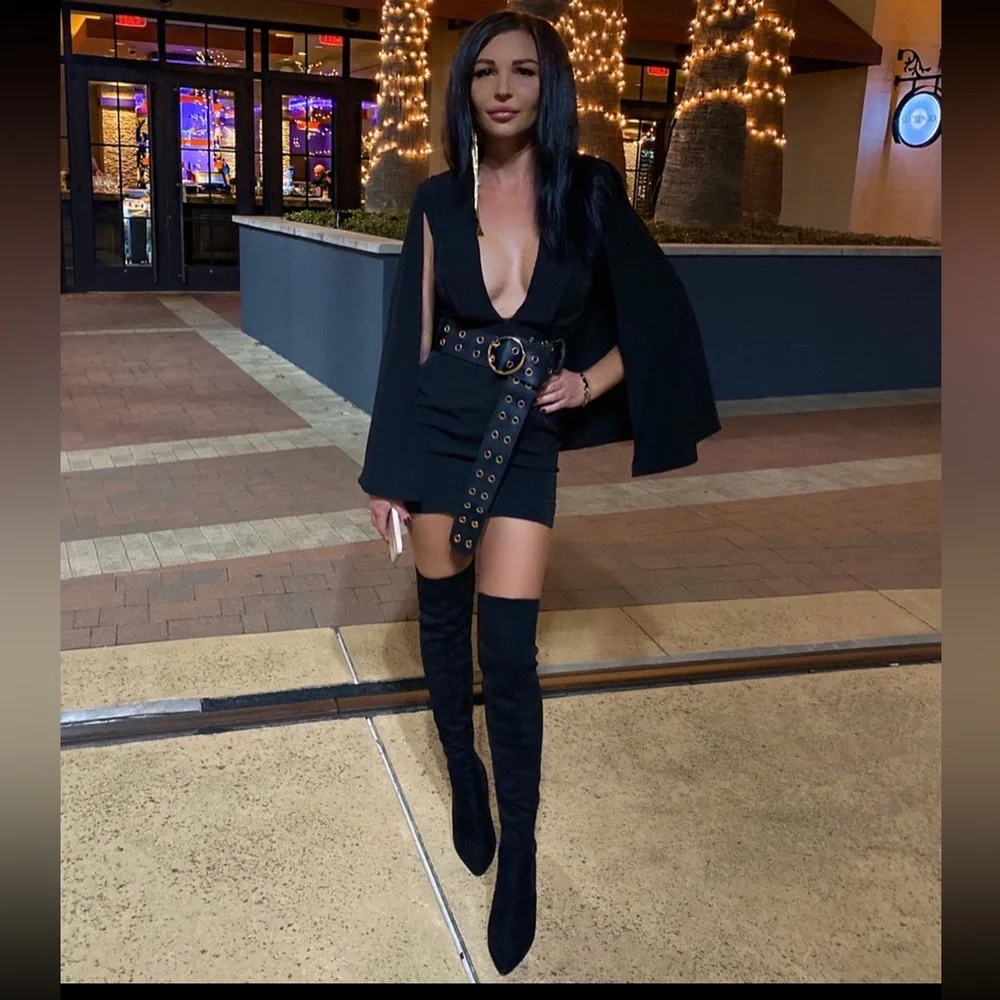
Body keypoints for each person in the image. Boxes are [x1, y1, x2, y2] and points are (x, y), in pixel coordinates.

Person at [359, 9, 720, 976]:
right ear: (465, 89)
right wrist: (386, 475)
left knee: (509, 655)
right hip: (440, 427)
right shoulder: (438, 201)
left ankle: (518, 847)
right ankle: (464, 773)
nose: (504, 88)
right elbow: (408, 344)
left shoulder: (587, 192)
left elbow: (658, 316)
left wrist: (589, 383)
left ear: (549, 86)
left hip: (525, 442)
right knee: (445, 628)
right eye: (485, 72)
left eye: (523, 71)